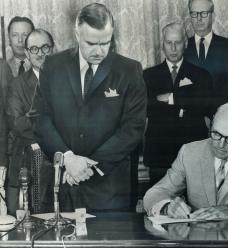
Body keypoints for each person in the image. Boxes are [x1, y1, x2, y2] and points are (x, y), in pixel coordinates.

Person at [35, 3, 146, 212]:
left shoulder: (129, 70)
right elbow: (40, 118)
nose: (99, 51)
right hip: (63, 188)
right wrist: (68, 158)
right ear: (77, 34)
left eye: (105, 43)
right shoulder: (52, 66)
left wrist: (86, 167)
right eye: (91, 43)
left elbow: (133, 128)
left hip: (110, 191)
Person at [143, 21, 212, 186]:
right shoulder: (147, 76)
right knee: (159, 205)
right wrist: (186, 100)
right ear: (163, 45)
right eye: (169, 43)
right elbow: (146, 107)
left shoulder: (201, 75)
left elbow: (204, 105)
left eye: (178, 42)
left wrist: (170, 98)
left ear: (185, 44)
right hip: (159, 153)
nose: (173, 48)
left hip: (193, 152)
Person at [6, 29, 55, 214]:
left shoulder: (66, 81)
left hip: (60, 161)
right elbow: (17, 123)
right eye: (34, 49)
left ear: (53, 49)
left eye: (45, 47)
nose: (40, 53)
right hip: (27, 161)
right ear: (26, 53)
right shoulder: (17, 84)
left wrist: (33, 117)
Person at [184, 0, 228, 83]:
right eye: (194, 13)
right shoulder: (181, 47)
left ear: (213, 16)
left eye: (203, 13)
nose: (198, 18)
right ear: (190, 17)